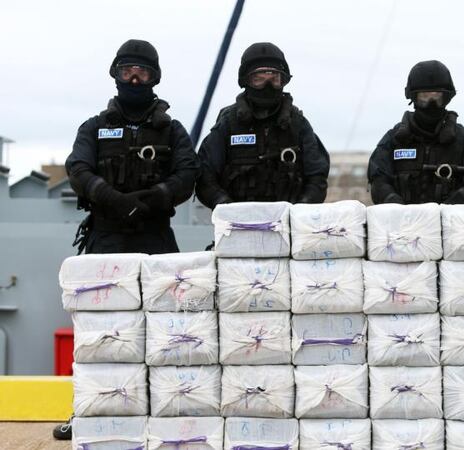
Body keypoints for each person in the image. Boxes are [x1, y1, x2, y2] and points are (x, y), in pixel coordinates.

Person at [57, 39, 199, 439]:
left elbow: (188, 173)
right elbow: (78, 169)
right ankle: (85, 412)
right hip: (106, 236)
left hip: (156, 235)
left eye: (143, 72)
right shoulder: (94, 127)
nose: (135, 78)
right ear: (116, 74)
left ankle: (169, 409)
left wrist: (154, 198)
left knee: (167, 327)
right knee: (97, 332)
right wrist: (114, 200)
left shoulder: (172, 130)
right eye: (128, 71)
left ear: (155, 78)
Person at [195, 42, 329, 207]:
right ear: (246, 80)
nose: (268, 86)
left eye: (274, 79)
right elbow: (205, 176)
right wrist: (226, 207)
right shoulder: (228, 124)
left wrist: (300, 210)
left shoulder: (298, 124)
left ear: (283, 80)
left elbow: (317, 177)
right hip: (237, 225)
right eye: (259, 79)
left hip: (287, 225)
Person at [368, 60, 464, 204]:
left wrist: (451, 207)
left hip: (450, 224)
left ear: (447, 98)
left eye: (437, 97)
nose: (431, 104)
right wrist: (397, 208)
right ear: (413, 98)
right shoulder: (394, 140)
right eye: (425, 97)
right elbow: (378, 182)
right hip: (404, 224)